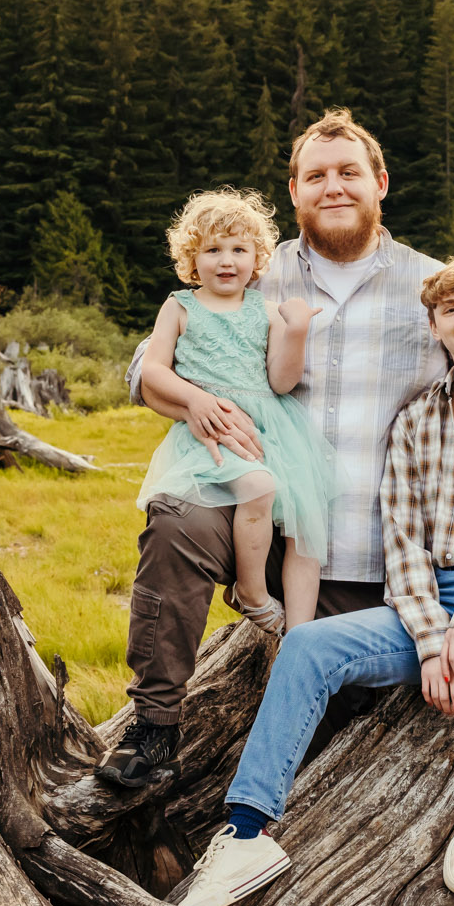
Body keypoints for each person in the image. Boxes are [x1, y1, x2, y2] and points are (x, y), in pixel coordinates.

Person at [95, 110, 454, 791]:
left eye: (348, 173)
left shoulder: (428, 284)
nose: (333, 187)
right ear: (295, 191)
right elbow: (146, 363)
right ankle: (156, 722)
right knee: (178, 521)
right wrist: (192, 400)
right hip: (268, 515)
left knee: (345, 730)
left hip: (376, 551)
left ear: (380, 183)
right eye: (316, 176)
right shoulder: (252, 269)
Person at [176, 254, 454, 906]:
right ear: (433, 326)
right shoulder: (415, 423)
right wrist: (434, 639)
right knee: (308, 645)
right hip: (445, 596)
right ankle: (246, 831)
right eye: (450, 309)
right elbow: (403, 551)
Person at [131, 188, 333, 630]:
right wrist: (195, 399)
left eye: (239, 249)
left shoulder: (267, 310)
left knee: (306, 522)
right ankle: (252, 592)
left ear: (256, 258)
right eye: (213, 249)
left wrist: (296, 330)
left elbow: (282, 380)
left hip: (274, 429)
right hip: (211, 427)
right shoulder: (179, 306)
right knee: (260, 487)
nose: (226, 260)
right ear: (192, 258)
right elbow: (153, 372)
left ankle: (299, 636)